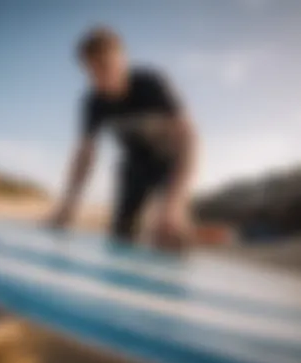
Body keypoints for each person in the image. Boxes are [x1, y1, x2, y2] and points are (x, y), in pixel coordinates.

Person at [49, 27, 198, 250]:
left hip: (168, 162)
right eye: (93, 72)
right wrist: (68, 204)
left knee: (170, 231)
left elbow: (188, 139)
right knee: (121, 232)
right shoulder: (93, 102)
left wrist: (174, 204)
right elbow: (84, 156)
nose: (102, 79)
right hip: (134, 166)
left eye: (106, 67)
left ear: (122, 59)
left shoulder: (151, 84)